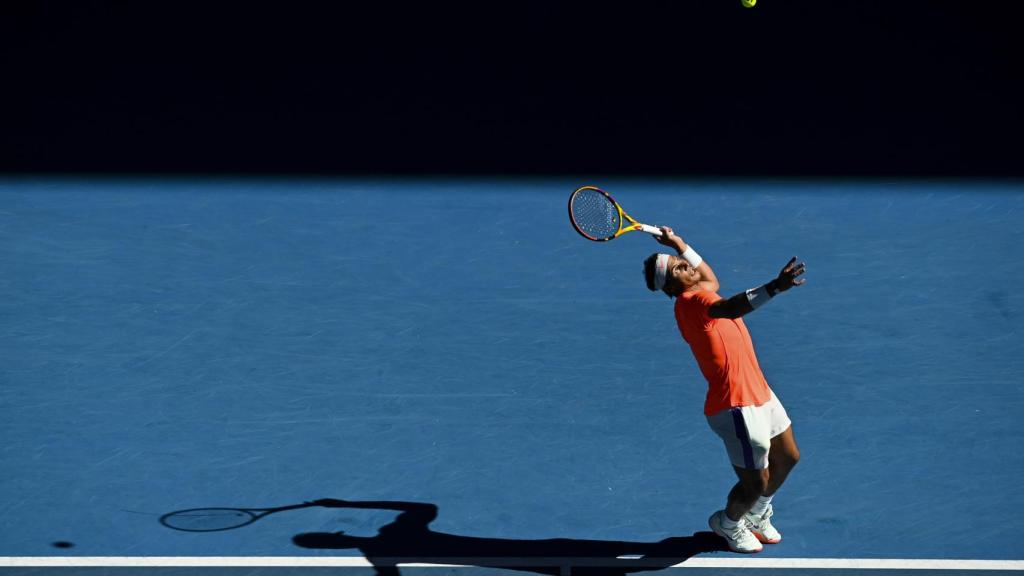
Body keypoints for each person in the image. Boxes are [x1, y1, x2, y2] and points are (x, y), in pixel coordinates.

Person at [642, 226, 805, 554]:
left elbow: (709, 277)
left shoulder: (697, 293)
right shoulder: (693, 301)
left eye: (682, 262)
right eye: (678, 267)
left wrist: (680, 244)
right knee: (755, 481)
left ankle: (757, 514)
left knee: (787, 457)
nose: (687, 266)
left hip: (759, 391)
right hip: (736, 407)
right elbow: (732, 307)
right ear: (672, 284)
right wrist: (775, 287)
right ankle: (727, 522)